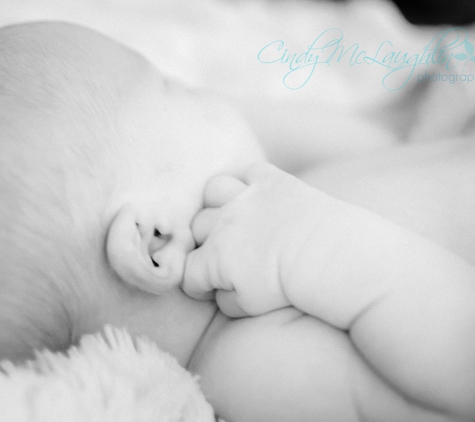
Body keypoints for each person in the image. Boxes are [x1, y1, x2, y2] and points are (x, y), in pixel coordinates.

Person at [1, 20, 474, 422]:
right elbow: (455, 382)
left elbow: (379, 143)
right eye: (175, 89)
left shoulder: (258, 219)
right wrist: (314, 244)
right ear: (156, 243)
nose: (217, 99)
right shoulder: (251, 361)